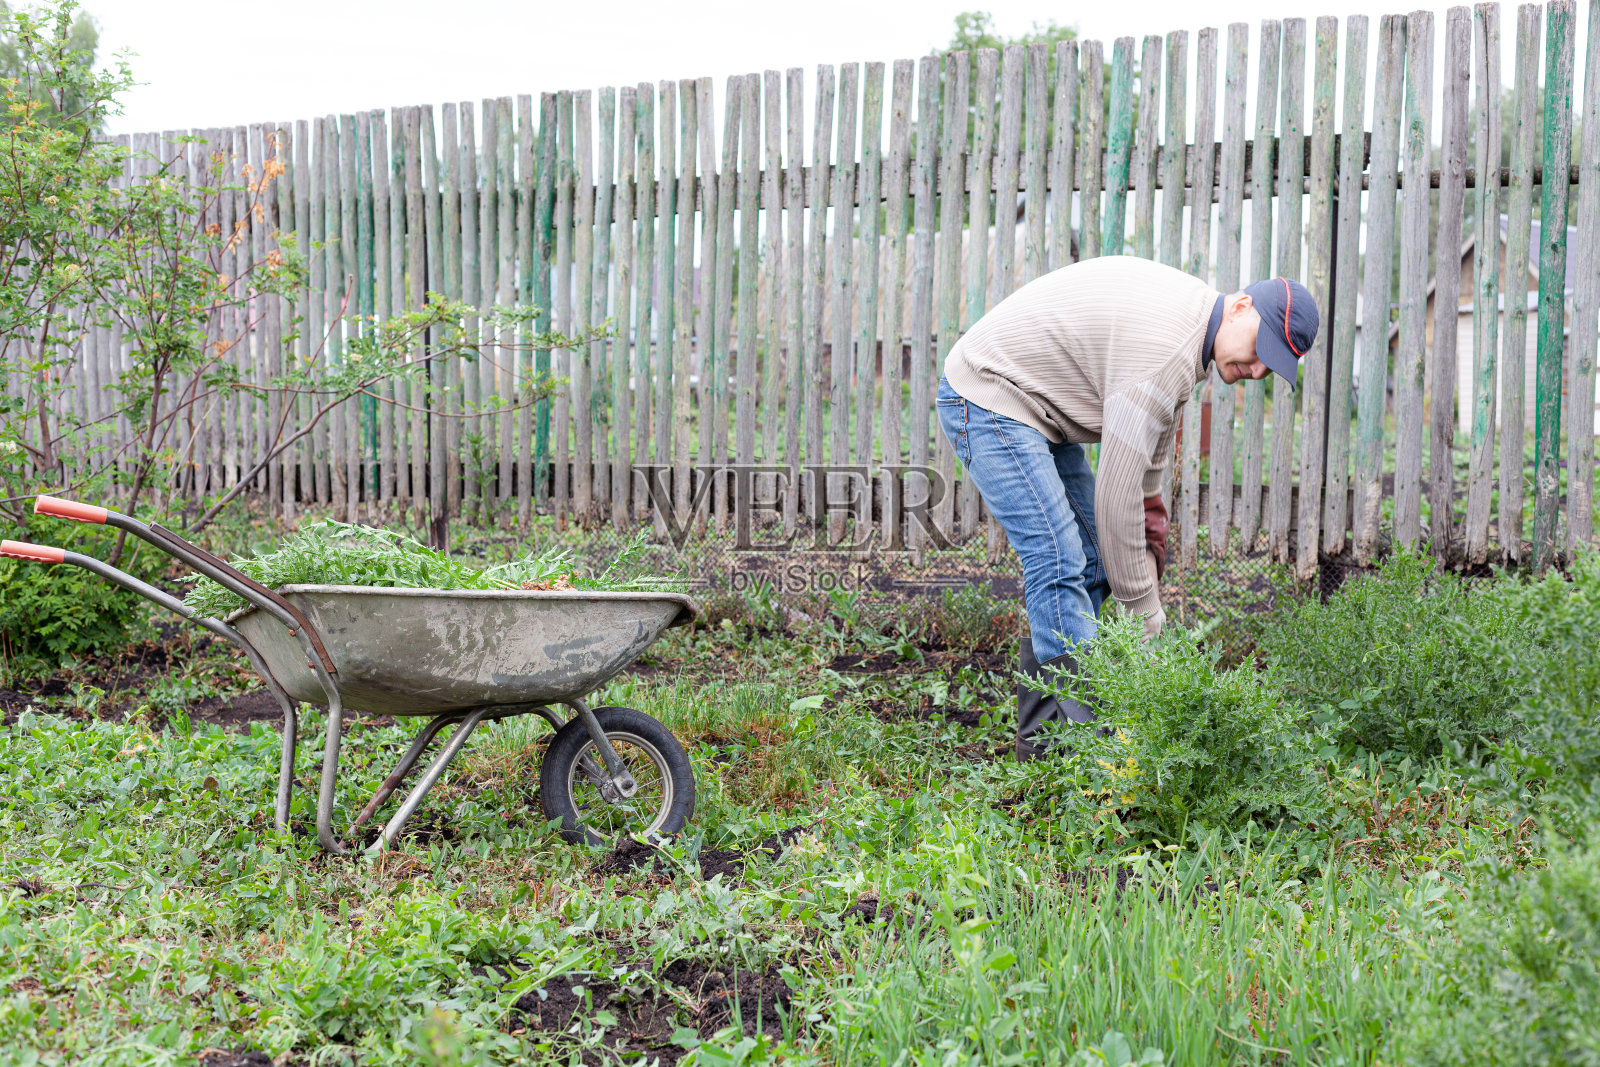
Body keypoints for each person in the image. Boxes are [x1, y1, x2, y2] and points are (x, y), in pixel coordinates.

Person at [936, 255, 1318, 760]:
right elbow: (1116, 501)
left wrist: (1151, 534)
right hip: (990, 395)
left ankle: (1044, 740)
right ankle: (1097, 754)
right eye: (1260, 349)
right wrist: (1146, 614)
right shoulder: (1169, 353)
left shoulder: (1193, 335)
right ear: (1241, 306)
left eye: (1272, 365)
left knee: (1090, 556)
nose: (1258, 369)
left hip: (1035, 407)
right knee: (1057, 557)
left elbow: (1146, 461)